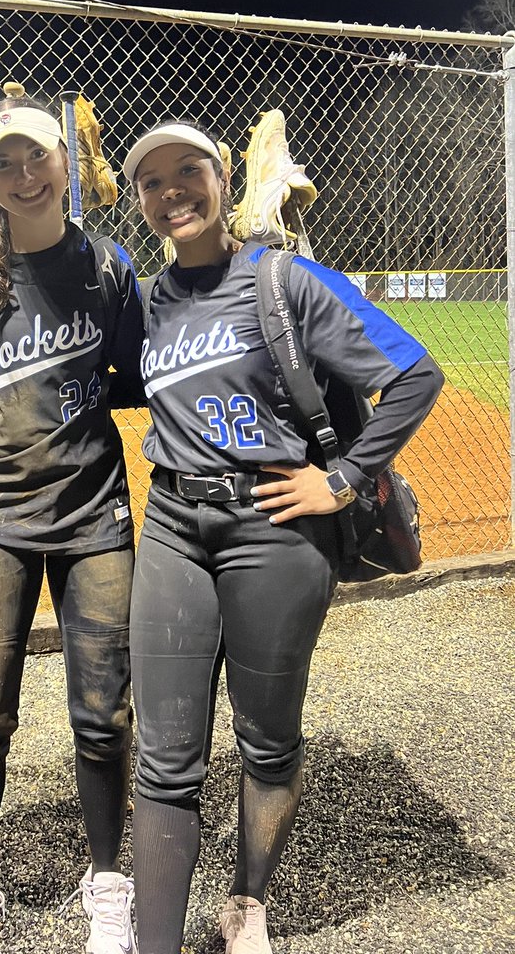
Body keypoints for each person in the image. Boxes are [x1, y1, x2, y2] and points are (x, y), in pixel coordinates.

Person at [120, 119, 444, 954]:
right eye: (151, 182)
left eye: (187, 170)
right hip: (173, 525)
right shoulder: (149, 301)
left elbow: (414, 374)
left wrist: (341, 479)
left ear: (223, 176)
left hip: (275, 527)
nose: (171, 192)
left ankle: (247, 904)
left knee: (266, 739)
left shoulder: (284, 279)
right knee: (163, 755)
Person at [0, 83, 145, 954]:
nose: (23, 173)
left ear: (66, 162)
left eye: (37, 155)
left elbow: (136, 376)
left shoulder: (108, 268)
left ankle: (109, 886)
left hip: (95, 516)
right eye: (4, 162)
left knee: (104, 716)